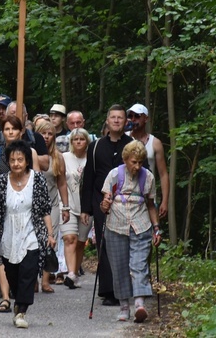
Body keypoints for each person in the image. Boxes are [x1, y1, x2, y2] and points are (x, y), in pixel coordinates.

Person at [0, 140, 56, 329]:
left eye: (20, 159)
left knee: (29, 270)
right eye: (12, 160)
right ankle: (17, 301)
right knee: (12, 273)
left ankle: (22, 311)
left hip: (32, 230)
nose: (16, 163)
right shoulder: (1, 182)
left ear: (26, 161)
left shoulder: (37, 179)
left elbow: (45, 209)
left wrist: (50, 233)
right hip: (8, 231)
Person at [0, 115, 40, 313]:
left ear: (21, 131)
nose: (10, 132)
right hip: (0, 208)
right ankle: (5, 297)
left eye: (14, 129)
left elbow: (38, 184)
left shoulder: (31, 153)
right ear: (2, 132)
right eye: (6, 129)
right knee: (2, 252)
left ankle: (19, 289)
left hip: (25, 210)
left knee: (22, 251)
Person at [100, 140, 162, 322]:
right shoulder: (114, 175)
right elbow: (105, 204)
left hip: (141, 225)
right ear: (125, 159)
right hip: (115, 226)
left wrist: (156, 228)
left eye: (140, 162)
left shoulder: (148, 177)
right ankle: (124, 307)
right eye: (133, 162)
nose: (137, 166)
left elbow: (151, 205)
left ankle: (139, 304)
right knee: (119, 268)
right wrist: (105, 204)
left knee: (139, 265)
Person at [80, 104, 134, 306]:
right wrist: (87, 209)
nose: (117, 121)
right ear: (107, 120)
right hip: (100, 201)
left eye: (120, 117)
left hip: (127, 203)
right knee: (104, 245)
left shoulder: (132, 145)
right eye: (113, 117)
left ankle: (125, 288)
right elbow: (89, 177)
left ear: (125, 121)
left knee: (124, 246)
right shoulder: (95, 147)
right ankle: (108, 290)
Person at [34, 120, 70, 291]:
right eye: (43, 133)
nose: (47, 137)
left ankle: (46, 280)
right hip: (33, 205)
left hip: (52, 204)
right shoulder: (31, 153)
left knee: (50, 240)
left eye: (50, 134)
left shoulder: (58, 157)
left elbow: (61, 183)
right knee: (33, 241)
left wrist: (66, 206)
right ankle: (33, 280)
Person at [126, 104, 170, 218]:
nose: (133, 119)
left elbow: (163, 174)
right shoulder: (124, 139)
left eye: (137, 116)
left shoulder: (155, 143)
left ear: (146, 118)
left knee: (151, 233)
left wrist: (165, 201)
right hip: (125, 196)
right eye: (130, 116)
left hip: (148, 197)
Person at [61, 128, 92, 288]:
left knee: (80, 242)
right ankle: (71, 273)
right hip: (68, 203)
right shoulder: (65, 157)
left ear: (87, 141)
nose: (78, 142)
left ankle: (75, 272)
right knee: (69, 238)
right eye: (75, 139)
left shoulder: (92, 159)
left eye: (82, 139)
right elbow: (60, 180)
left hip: (87, 206)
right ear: (71, 142)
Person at [0, 101, 49, 172]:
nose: (17, 116)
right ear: (7, 116)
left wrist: (25, 154)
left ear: (26, 116)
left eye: (20, 113)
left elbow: (45, 165)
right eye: (13, 113)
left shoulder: (36, 137)